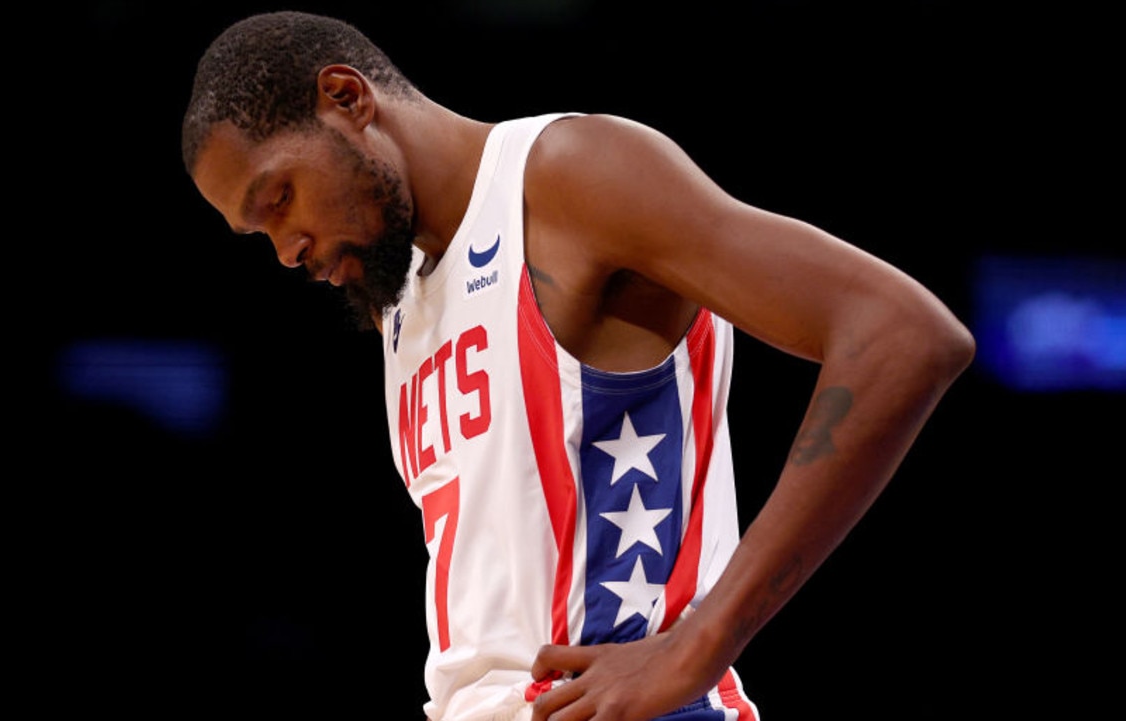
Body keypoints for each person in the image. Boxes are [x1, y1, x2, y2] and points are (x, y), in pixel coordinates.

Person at [180, 10, 975, 721]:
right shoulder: (401, 299)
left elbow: (902, 333)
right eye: (259, 235)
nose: (288, 251)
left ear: (348, 99)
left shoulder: (566, 175)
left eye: (278, 198)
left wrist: (703, 642)